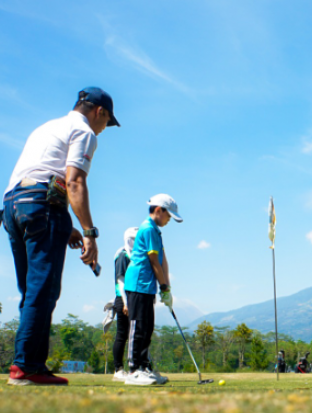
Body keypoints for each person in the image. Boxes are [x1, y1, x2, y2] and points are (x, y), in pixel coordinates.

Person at [3, 87, 119, 386]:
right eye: (107, 122)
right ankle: (26, 368)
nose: (105, 129)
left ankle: (30, 365)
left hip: (13, 205)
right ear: (99, 112)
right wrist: (91, 234)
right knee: (43, 290)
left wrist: (65, 225)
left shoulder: (46, 127)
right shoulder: (85, 132)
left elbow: (40, 174)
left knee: (31, 292)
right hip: (42, 205)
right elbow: (74, 181)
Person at [123, 194, 182, 386]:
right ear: (159, 210)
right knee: (138, 326)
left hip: (147, 286)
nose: (169, 220)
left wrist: (166, 288)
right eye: (169, 216)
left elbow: (163, 260)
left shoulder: (156, 231)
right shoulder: (148, 228)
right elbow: (153, 261)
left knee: (147, 328)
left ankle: (144, 367)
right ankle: (133, 371)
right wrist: (163, 286)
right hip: (138, 283)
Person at [112, 227, 138, 381]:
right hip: (123, 299)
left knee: (134, 334)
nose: (135, 241)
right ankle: (118, 369)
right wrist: (125, 302)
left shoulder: (135, 256)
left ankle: (137, 367)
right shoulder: (123, 255)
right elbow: (120, 281)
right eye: (133, 238)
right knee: (122, 335)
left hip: (133, 298)